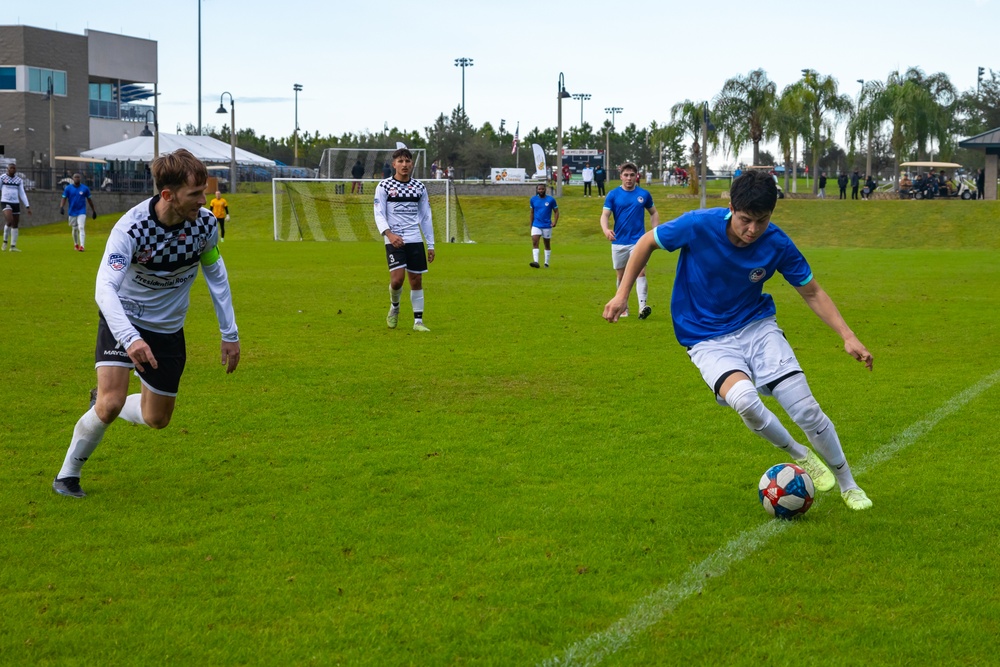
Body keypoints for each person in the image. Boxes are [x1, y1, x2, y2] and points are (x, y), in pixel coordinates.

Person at [602, 170, 873, 511]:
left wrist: (848, 336)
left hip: (756, 328)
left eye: (762, 221)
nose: (752, 230)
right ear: (731, 207)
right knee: (744, 401)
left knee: (806, 410)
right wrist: (622, 294)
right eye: (745, 220)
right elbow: (646, 242)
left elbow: (812, 291)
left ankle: (849, 485)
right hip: (704, 336)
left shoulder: (776, 243)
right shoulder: (699, 225)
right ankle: (800, 455)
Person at [52, 149, 241, 498]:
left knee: (157, 418)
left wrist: (229, 334)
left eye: (204, 193)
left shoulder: (205, 226)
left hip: (168, 329)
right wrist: (130, 338)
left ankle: (110, 400)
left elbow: (216, 272)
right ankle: (68, 475)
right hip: (123, 319)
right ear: (167, 195)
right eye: (195, 194)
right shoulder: (131, 227)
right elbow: (104, 288)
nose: (203, 201)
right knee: (109, 404)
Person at [374, 148, 434, 332]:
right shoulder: (384, 186)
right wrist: (389, 235)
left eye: (407, 161)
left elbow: (425, 217)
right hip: (393, 238)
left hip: (414, 237)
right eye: (400, 161)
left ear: (412, 164)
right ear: (394, 165)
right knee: (398, 280)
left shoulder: (419, 187)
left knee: (416, 280)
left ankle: (418, 322)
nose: (404, 164)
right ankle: (395, 306)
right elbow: (379, 213)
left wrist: (430, 244)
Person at [600, 162, 659, 320]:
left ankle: (642, 306)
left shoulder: (644, 194)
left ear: (636, 176)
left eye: (632, 175)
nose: (629, 178)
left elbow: (654, 213)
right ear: (620, 176)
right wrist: (606, 230)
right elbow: (605, 215)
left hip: (638, 241)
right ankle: (623, 307)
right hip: (619, 242)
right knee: (621, 276)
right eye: (626, 175)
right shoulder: (613, 194)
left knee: (640, 272)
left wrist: (655, 230)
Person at [60, 173, 98, 252]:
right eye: (75, 177)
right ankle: (76, 243)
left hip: (82, 211)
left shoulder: (85, 188)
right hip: (72, 211)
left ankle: (82, 246)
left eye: (78, 177)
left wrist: (93, 210)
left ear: (80, 179)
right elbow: (64, 198)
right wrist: (62, 207)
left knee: (81, 227)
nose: (77, 178)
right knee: (74, 229)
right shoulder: (68, 188)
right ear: (72, 179)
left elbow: (89, 200)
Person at [1, 163, 32, 252]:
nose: (12, 169)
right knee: (9, 221)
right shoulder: (2, 178)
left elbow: (22, 193)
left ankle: (13, 246)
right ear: (7, 169)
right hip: (6, 201)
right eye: (11, 168)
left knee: (15, 224)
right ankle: (5, 241)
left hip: (15, 203)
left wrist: (27, 206)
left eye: (14, 168)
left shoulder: (19, 180)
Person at [528, 183, 559, 268]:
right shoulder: (533, 199)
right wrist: (531, 224)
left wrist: (555, 222)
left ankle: (546, 263)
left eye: (542, 189)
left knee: (547, 244)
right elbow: (532, 212)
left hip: (546, 225)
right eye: (539, 189)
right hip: (536, 224)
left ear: (545, 190)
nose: (541, 191)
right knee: (534, 241)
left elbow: (556, 211)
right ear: (537, 190)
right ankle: (536, 262)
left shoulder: (551, 200)